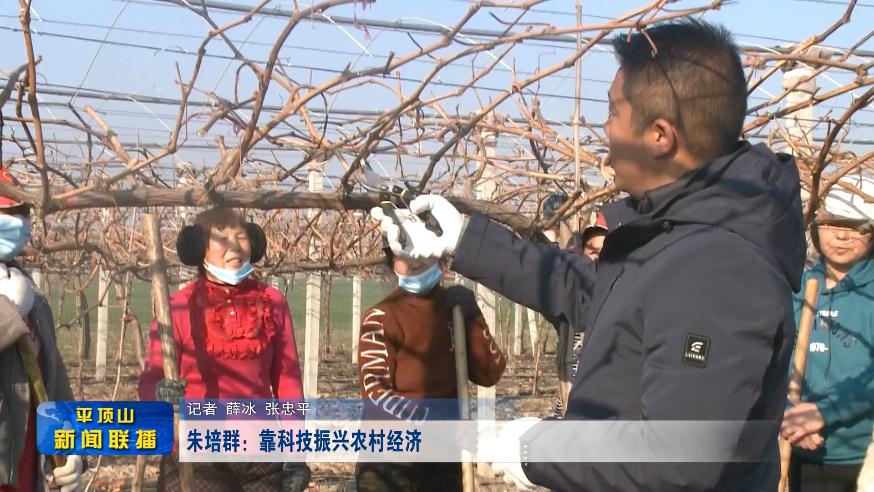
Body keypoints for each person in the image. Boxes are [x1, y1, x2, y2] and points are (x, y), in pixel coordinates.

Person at [374, 20, 806, 491]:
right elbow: (588, 289)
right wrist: (462, 239)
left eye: (613, 112)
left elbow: (673, 457)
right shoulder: (677, 235)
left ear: (659, 136)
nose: (605, 130)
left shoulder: (720, 269)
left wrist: (535, 448)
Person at [138, 207, 310, 492]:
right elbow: (151, 380)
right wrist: (160, 396)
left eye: (240, 236)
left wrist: (295, 453)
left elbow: (287, 383)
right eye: (221, 238)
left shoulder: (273, 302)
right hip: (198, 454)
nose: (234, 246)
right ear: (199, 249)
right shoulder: (177, 308)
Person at [354, 236, 506, 492]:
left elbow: (490, 372)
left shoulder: (455, 311)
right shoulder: (382, 317)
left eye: (422, 249)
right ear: (392, 261)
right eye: (403, 253)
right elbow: (376, 394)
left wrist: (473, 318)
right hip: (391, 466)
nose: (414, 259)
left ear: (440, 253)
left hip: (445, 463)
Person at [781, 174, 874, 492]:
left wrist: (825, 411)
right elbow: (768, 360)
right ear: (815, 228)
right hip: (793, 449)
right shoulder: (796, 288)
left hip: (860, 458)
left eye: (857, 227)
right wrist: (788, 413)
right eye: (832, 223)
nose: (842, 235)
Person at [0, 168, 83, 492]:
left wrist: (72, 447)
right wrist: (9, 312)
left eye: (21, 213)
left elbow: (53, 381)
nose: (18, 223)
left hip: (22, 474)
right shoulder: (18, 297)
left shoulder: (30, 295)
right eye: (7, 214)